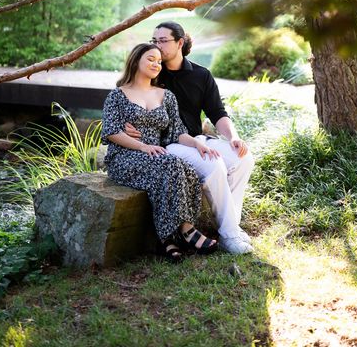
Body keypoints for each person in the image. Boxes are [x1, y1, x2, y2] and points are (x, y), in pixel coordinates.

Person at [125, 22, 255, 255]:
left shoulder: (201, 75)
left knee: (242, 159)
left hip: (196, 138)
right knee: (213, 164)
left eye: (163, 41)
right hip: (167, 144)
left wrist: (233, 137)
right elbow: (127, 92)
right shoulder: (152, 71)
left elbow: (218, 113)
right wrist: (127, 124)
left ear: (180, 43)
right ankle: (230, 234)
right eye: (154, 40)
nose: (157, 46)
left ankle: (229, 225)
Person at [102, 42, 218, 263]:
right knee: (170, 164)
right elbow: (111, 131)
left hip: (155, 155)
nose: (156, 64)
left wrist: (197, 144)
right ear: (136, 60)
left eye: (158, 61)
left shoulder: (166, 96)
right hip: (125, 156)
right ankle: (185, 230)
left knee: (187, 170)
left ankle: (167, 239)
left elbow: (177, 132)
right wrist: (143, 146)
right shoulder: (117, 95)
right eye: (150, 59)